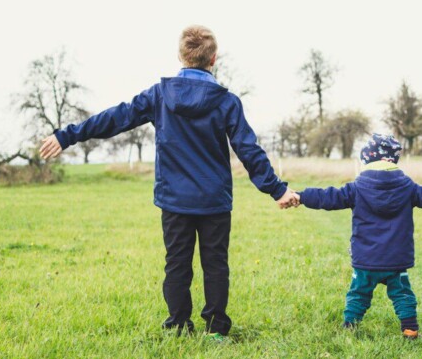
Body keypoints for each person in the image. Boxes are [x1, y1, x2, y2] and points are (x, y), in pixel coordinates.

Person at [38, 25, 299, 341]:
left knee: (177, 266)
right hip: (214, 200)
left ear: (180, 55)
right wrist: (277, 189)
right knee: (215, 265)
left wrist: (66, 135)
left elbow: (114, 118)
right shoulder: (226, 101)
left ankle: (177, 326)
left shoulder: (160, 96)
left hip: (175, 200)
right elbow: (248, 149)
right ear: (213, 59)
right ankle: (216, 330)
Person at [292, 133, 422, 339]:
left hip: (366, 260)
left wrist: (302, 196)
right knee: (402, 294)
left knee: (358, 294)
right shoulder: (407, 187)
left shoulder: (357, 188)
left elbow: (328, 196)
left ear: (367, 160)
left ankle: (349, 326)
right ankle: (410, 328)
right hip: (396, 259)